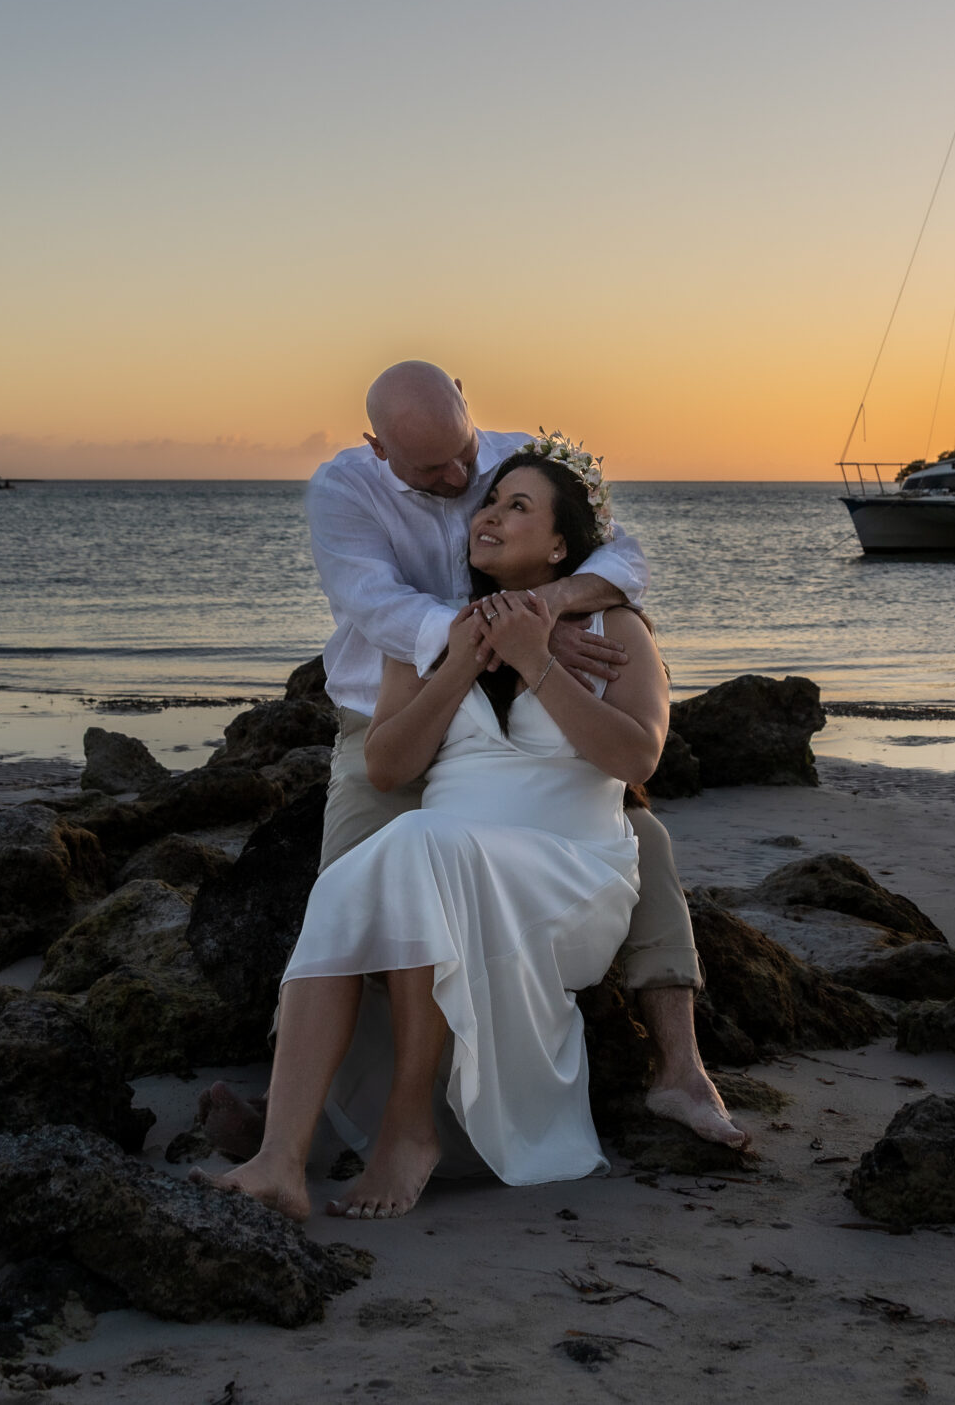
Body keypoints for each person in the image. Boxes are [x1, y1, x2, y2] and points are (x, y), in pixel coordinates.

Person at [288, 361, 745, 1150]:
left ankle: (681, 1068)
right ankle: (308, 1113)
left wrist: (547, 612)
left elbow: (621, 559)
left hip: (540, 753)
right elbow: (382, 610)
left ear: (466, 399)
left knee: (647, 841)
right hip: (391, 709)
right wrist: (494, 634)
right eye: (437, 471)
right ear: (377, 448)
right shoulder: (342, 495)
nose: (466, 481)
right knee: (346, 889)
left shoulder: (515, 460)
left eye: (467, 453)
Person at [208, 441, 665, 1219]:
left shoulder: (611, 627)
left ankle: (409, 1126)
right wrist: (465, 656)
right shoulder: (429, 630)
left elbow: (637, 756)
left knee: (420, 846)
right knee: (354, 878)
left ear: (562, 543)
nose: (490, 514)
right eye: (490, 503)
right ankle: (278, 1159)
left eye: (518, 505)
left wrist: (537, 658)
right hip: (451, 858)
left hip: (569, 876)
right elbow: (387, 766)